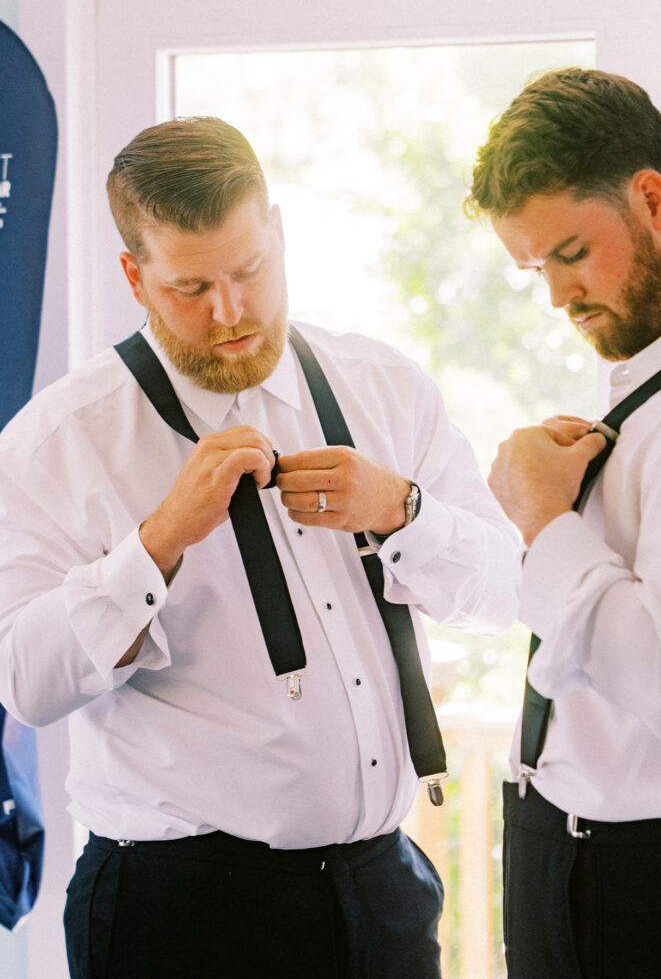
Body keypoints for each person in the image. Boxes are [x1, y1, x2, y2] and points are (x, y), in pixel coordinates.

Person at [0, 116, 522, 979]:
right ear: (135, 277)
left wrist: (402, 509)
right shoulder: (58, 442)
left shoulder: (384, 386)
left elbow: (505, 593)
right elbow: (24, 679)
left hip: (382, 890)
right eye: (191, 288)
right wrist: (158, 543)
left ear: (278, 232)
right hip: (179, 916)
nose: (232, 312)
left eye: (249, 271)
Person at [467, 68, 661, 979]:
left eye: (571, 252)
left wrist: (544, 519)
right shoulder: (656, 389)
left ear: (651, 199)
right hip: (570, 849)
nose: (559, 297)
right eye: (538, 269)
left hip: (636, 879)